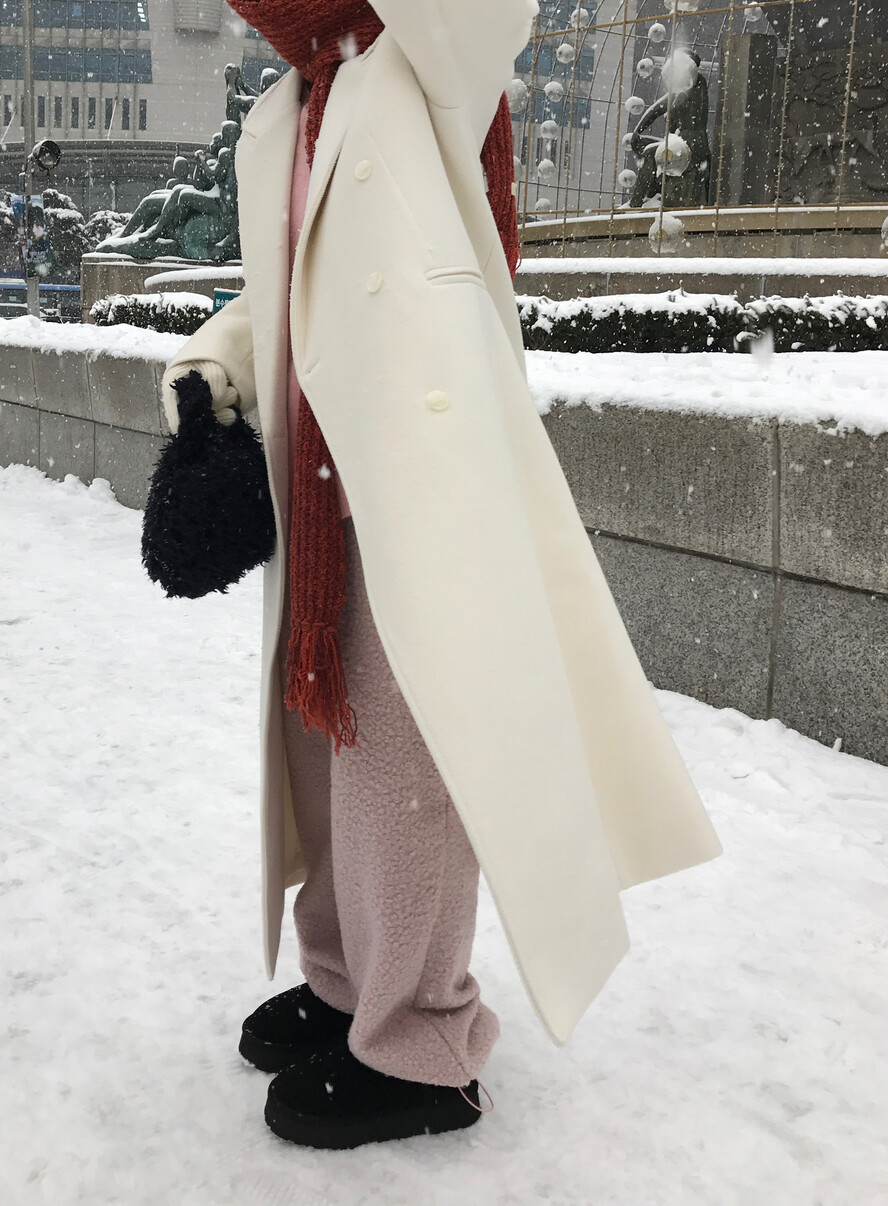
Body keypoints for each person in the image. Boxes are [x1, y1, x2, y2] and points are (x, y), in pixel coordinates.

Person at [160, 0, 721, 1151]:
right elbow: (287, 282)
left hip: (418, 485)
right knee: (326, 764)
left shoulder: (424, 54)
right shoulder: (290, 107)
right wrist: (213, 371)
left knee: (405, 777)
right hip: (322, 486)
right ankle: (341, 984)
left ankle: (421, 1042)